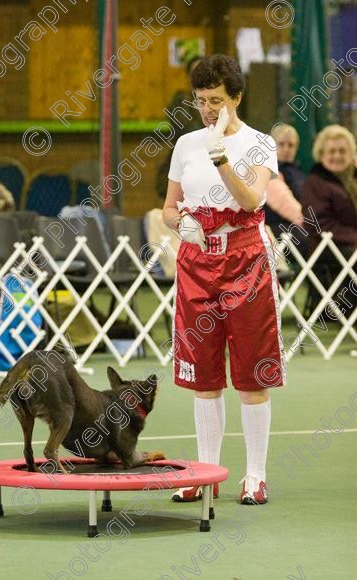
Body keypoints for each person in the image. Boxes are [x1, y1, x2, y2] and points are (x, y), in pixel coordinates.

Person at [162, 54, 285, 505]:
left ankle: (255, 476)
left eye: (216, 100)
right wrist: (180, 225)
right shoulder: (185, 144)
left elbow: (252, 198)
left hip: (245, 259)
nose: (208, 109)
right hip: (197, 261)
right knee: (204, 374)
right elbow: (168, 207)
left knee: (252, 371)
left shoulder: (259, 144)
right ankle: (204, 471)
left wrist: (222, 161)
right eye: (201, 101)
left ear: (237, 97)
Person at [301, 125, 357, 315]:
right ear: (321, 154)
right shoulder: (315, 182)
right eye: (331, 151)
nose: (337, 155)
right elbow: (319, 224)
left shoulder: (351, 178)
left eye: (343, 151)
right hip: (326, 247)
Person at [156, 56, 204, 199]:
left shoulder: (219, 103)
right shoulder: (182, 100)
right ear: (189, 77)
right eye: (196, 73)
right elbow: (189, 133)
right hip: (187, 167)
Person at [265, 124, 305, 239]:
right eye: (281, 144)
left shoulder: (298, 170)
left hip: (298, 225)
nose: (286, 149)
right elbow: (285, 204)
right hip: (277, 228)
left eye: (291, 145)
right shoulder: (268, 171)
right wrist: (311, 224)